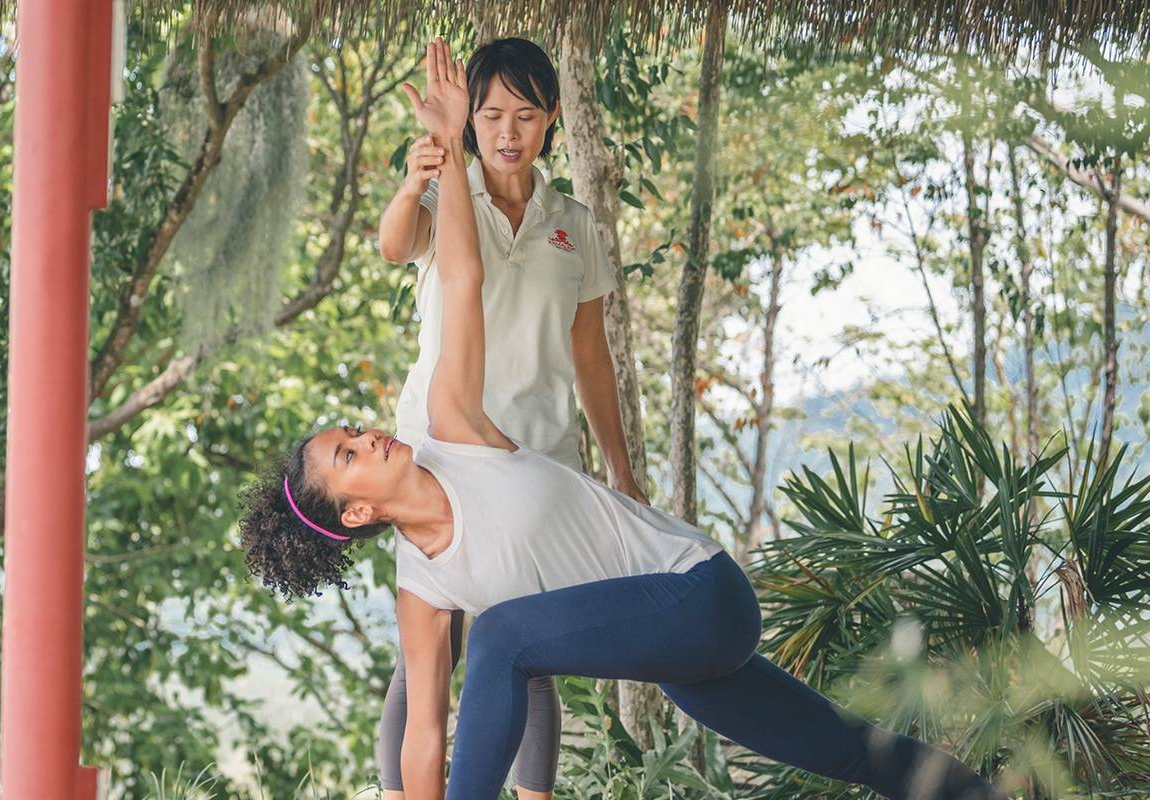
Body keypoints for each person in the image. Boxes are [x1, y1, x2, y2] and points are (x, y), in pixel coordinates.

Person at [236, 38, 1006, 800]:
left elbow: (462, 280)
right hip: (677, 650)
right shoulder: (422, 584)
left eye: (350, 430)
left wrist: (451, 143)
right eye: (348, 454)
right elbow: (424, 734)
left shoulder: (455, 427)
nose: (367, 433)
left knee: (503, 636)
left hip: (698, 591)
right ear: (360, 508)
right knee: (844, 748)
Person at [372, 34, 640, 800]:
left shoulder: (574, 224)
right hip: (445, 459)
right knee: (433, 648)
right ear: (468, 123)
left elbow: (591, 355)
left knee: (529, 645)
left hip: (539, 459)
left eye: (525, 115)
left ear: (552, 118)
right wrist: (412, 179)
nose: (507, 133)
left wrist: (618, 468)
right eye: (490, 116)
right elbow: (396, 247)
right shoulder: (442, 195)